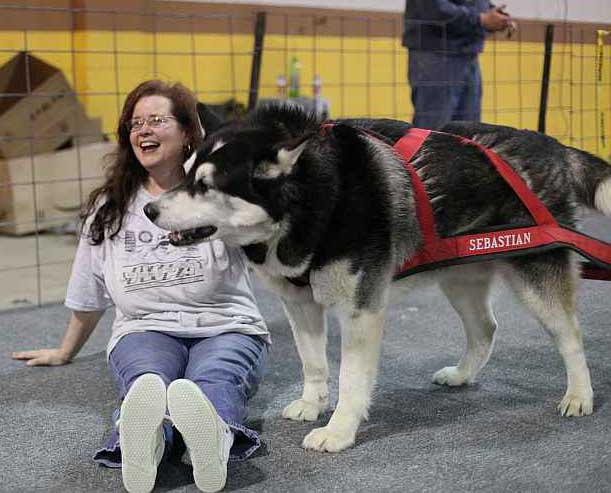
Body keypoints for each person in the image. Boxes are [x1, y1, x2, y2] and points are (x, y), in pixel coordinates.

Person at [12, 79, 270, 493]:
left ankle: (213, 438)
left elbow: (269, 237)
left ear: (188, 132)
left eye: (156, 120)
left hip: (226, 324)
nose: (143, 130)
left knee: (215, 378)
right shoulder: (109, 207)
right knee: (148, 381)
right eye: (135, 123)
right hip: (145, 326)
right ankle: (145, 442)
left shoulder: (217, 191)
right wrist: (64, 351)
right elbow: (89, 289)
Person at [403, 1, 515, 129]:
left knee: (467, 133)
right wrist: (481, 19)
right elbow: (436, 8)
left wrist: (495, 15)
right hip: (438, 53)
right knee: (433, 132)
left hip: (466, 54)